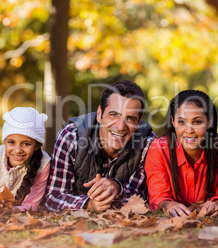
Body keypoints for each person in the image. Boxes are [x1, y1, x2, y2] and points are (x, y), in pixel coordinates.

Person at [45, 80, 155, 212]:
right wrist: (88, 204)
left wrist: (117, 188)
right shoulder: (71, 136)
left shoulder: (147, 144)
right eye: (113, 115)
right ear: (99, 114)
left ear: (138, 123)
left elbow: (140, 200)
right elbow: (53, 197)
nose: (120, 127)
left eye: (130, 119)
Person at [145, 90, 218, 217]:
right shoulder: (159, 149)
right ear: (173, 122)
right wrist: (168, 205)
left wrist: (217, 203)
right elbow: (158, 195)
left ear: (209, 122)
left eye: (197, 122)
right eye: (182, 122)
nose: (189, 130)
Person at [0, 107, 51, 212]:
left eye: (26, 144)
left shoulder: (43, 163)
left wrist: (10, 210)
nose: (17, 150)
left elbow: (32, 204)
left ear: (36, 146)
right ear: (4, 141)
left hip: (17, 208)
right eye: (11, 142)